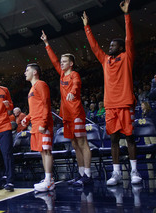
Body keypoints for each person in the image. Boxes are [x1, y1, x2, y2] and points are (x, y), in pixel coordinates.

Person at [82, 0, 142, 185]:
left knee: (130, 138)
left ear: (121, 48)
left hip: (125, 103)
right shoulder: (105, 60)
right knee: (114, 139)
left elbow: (130, 38)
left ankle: (134, 171)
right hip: (110, 106)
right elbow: (94, 47)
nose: (109, 48)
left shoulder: (127, 57)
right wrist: (87, 27)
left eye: (113, 46)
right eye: (109, 46)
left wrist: (126, 15)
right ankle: (116, 173)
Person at [41, 31, 93, 186]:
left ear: (71, 64)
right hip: (66, 115)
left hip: (76, 113)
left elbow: (76, 85)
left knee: (82, 142)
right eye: (61, 61)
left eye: (65, 62)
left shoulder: (74, 74)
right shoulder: (62, 75)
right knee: (75, 144)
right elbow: (54, 60)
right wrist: (47, 44)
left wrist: (72, 91)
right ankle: (81, 173)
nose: (61, 63)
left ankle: (89, 175)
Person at [22, 63, 55, 192]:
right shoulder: (32, 89)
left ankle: (49, 180)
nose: (25, 73)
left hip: (42, 123)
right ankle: (48, 179)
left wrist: (44, 123)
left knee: (46, 151)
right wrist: (27, 118)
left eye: (27, 70)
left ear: (35, 72)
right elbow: (36, 108)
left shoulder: (41, 84)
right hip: (35, 124)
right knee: (42, 151)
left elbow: (46, 104)